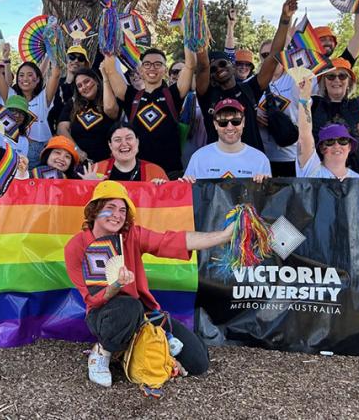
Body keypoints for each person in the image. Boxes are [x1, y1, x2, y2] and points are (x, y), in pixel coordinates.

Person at [64, 181, 233, 387]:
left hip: (144, 315)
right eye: (110, 208)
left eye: (122, 210)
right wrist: (116, 285)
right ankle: (103, 351)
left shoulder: (131, 235)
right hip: (104, 315)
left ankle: (135, 348)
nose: (117, 215)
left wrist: (223, 237)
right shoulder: (76, 246)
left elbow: (171, 241)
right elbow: (92, 298)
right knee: (129, 305)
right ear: (94, 211)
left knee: (198, 363)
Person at [194, 0, 305, 153]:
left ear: (232, 65)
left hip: (252, 166)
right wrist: (197, 27)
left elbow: (274, 55)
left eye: (223, 63)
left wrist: (285, 18)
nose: (219, 69)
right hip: (217, 163)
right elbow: (202, 66)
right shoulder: (207, 95)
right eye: (214, 69)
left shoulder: (249, 89)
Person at [295, 78, 359, 229]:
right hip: (315, 245)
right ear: (322, 147)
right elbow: (304, 135)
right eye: (330, 142)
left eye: (343, 141)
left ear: (350, 146)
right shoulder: (311, 169)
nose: (337, 145)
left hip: (347, 246)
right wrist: (304, 99)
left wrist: (358, 193)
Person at [103, 47, 195, 175]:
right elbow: (111, 70)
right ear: (141, 70)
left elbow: (190, 66)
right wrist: (110, 33)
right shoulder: (131, 95)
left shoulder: (173, 94)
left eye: (158, 64)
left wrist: (188, 29)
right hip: (137, 173)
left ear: (165, 70)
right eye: (147, 64)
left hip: (170, 172)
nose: (152, 68)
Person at [310, 38, 359, 179]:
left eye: (342, 76)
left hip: (357, 174)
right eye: (330, 76)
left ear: (349, 82)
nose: (336, 80)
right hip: (320, 173)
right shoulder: (313, 104)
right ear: (323, 81)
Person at [0, 27, 60, 168]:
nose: (25, 79)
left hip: (42, 149)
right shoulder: (10, 95)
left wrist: (53, 45)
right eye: (21, 75)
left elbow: (55, 74)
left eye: (30, 75)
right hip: (15, 148)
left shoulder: (44, 98)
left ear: (38, 79)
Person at [181, 99, 271, 182]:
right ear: (215, 124)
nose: (230, 127)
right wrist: (184, 185)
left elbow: (266, 198)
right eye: (223, 122)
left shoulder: (260, 160)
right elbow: (190, 195)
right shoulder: (198, 158)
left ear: (243, 122)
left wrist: (264, 185)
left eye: (236, 121)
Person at [57, 57, 120, 163]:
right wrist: (76, 150)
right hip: (79, 162)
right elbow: (61, 129)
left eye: (87, 81)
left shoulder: (109, 99)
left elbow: (110, 110)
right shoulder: (72, 103)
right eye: (79, 86)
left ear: (96, 80)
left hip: (107, 162)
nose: (84, 87)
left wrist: (105, 77)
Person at [255, 50, 300, 177]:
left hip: (290, 156)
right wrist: (253, 115)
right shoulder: (253, 83)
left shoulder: (294, 80)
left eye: (276, 54)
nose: (271, 58)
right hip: (262, 157)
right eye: (265, 54)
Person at [93, 123, 168, 184]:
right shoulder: (96, 170)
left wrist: (160, 189)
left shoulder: (155, 171)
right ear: (110, 145)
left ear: (137, 141)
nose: (124, 144)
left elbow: (169, 199)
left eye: (129, 138)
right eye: (117, 140)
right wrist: (88, 184)